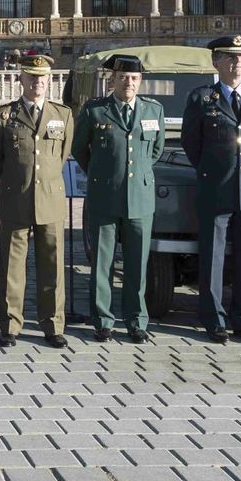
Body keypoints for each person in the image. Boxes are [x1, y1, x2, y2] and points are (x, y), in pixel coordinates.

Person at [181, 35, 241, 344]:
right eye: (229, 57)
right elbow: (192, 144)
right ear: (215, 62)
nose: (237, 62)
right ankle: (213, 319)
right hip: (215, 187)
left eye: (240, 57)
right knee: (213, 255)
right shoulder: (201, 98)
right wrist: (214, 169)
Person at [72, 53, 165, 344]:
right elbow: (80, 149)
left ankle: (137, 321)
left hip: (140, 198)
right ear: (113, 79)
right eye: (123, 77)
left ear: (141, 81)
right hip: (105, 196)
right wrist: (102, 175)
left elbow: (156, 150)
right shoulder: (95, 110)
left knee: (137, 264)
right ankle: (103, 321)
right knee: (102, 263)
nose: (129, 83)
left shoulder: (153, 111)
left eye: (134, 78)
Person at [0, 53, 75, 349]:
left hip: (50, 200)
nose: (37, 82)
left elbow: (61, 157)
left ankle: (53, 325)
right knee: (12, 266)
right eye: (32, 77)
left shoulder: (62, 115)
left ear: (50, 80)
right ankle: (10, 325)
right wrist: (17, 181)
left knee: (53, 265)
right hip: (16, 199)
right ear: (21, 80)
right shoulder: (3, 116)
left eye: (43, 77)